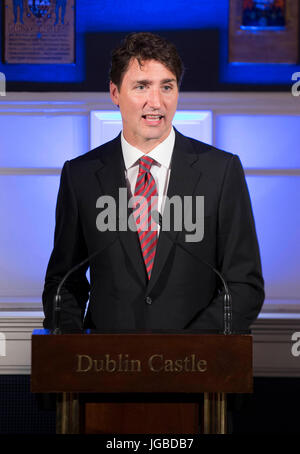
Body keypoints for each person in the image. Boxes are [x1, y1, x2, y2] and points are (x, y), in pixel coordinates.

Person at [42, 32, 264, 332]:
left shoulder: (222, 171)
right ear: (115, 93)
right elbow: (63, 283)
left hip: (195, 365)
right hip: (107, 365)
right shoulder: (80, 175)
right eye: (142, 86)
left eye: (167, 87)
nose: (156, 102)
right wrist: (72, 348)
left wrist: (186, 351)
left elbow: (244, 284)